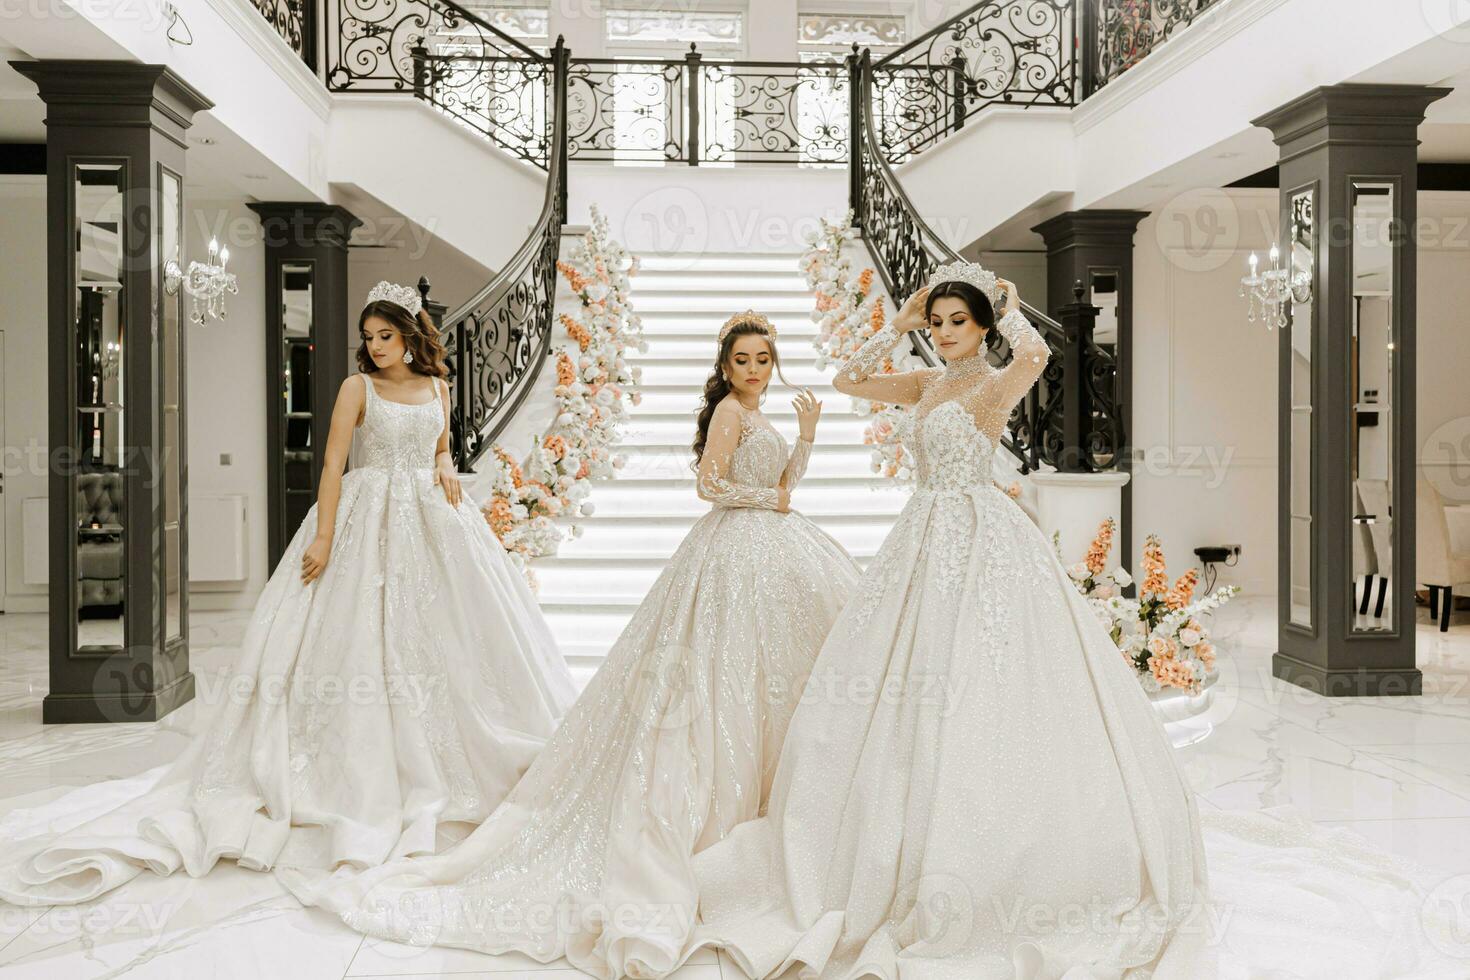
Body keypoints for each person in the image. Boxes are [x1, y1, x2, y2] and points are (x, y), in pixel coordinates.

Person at [690, 263, 1464, 979]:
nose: (949, 331)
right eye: (942, 321)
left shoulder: (993, 383)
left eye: (960, 321)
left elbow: (1035, 359)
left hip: (981, 542)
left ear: (981, 327)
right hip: (920, 539)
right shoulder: (924, 383)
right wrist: (897, 322)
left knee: (993, 681)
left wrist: (1012, 304)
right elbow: (845, 378)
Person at [278, 309, 864, 979]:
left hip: (773, 554)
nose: (754, 371)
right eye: (742, 361)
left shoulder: (763, 413)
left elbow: (786, 487)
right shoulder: (730, 411)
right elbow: (710, 485)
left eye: (763, 359)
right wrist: (769, 503)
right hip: (732, 552)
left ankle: (772, 797)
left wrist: (808, 440)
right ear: (725, 368)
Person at [0, 281, 578, 905]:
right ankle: (341, 774)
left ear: (412, 335)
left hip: (433, 520)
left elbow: (441, 447)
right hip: (366, 515)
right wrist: (325, 536)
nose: (375, 347)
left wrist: (442, 466)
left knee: (448, 640)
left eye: (385, 336)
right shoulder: (358, 388)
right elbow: (332, 465)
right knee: (353, 636)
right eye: (369, 338)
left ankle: (452, 761)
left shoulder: (439, 386)